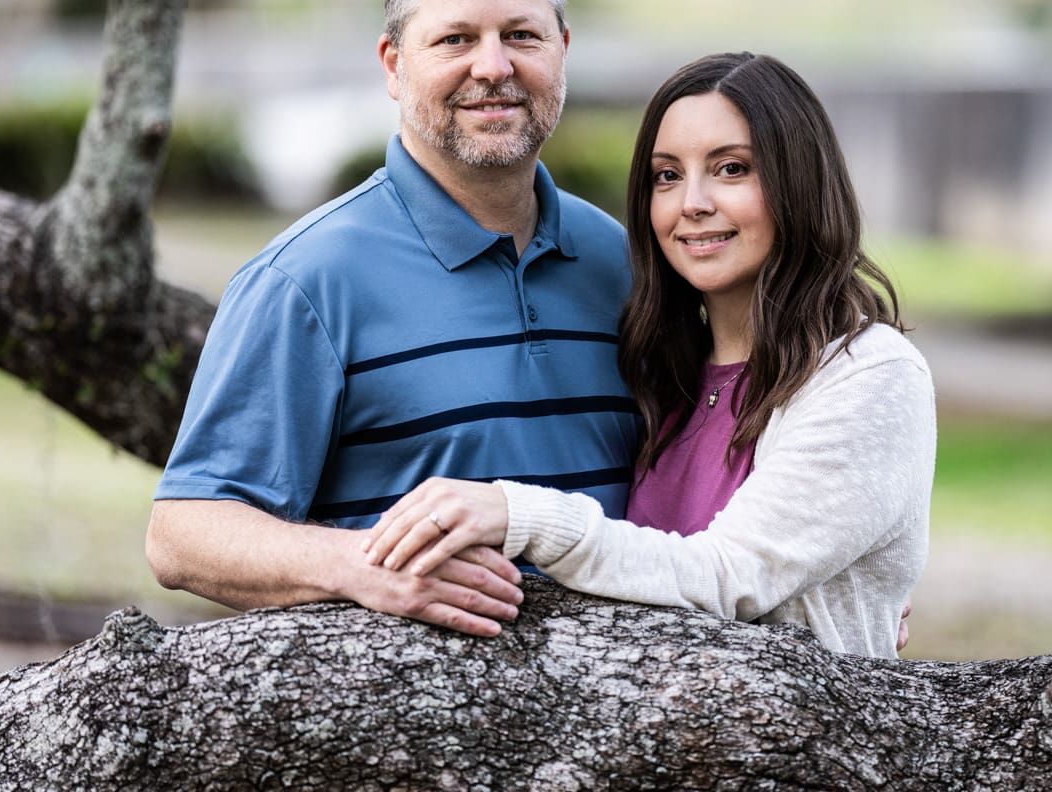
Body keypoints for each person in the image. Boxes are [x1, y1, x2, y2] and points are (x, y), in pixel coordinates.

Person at [145, 0, 640, 637]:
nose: (494, 67)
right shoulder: (306, 279)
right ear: (393, 64)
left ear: (562, 50)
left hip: (630, 722)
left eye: (522, 35)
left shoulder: (623, 264)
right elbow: (182, 534)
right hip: (410, 733)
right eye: (456, 40)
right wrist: (361, 564)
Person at [363, 52, 936, 658]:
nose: (691, 202)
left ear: (799, 183)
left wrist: (519, 514)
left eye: (731, 169)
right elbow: (631, 573)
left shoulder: (869, 375)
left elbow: (731, 578)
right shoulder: (665, 372)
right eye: (667, 175)